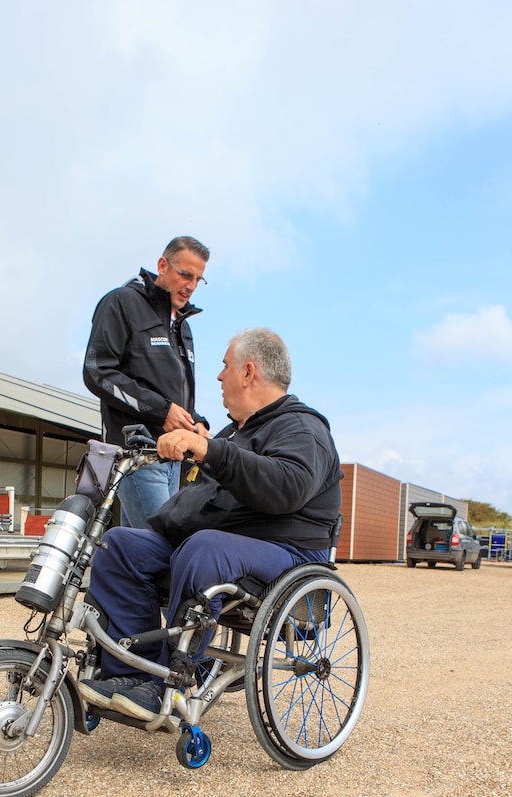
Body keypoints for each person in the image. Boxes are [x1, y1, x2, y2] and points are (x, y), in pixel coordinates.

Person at [77, 327, 343, 723]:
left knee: (205, 548)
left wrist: (210, 449)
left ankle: (169, 682)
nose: (219, 376)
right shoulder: (237, 432)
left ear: (248, 372)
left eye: (225, 366)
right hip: (227, 542)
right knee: (119, 545)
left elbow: (286, 487)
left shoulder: (302, 428)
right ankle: (131, 674)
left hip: (287, 551)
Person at [82, 236, 211, 529]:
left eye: (198, 279)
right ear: (163, 265)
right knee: (162, 542)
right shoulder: (122, 303)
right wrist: (161, 411)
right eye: (185, 275)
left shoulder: (182, 327)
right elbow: (97, 372)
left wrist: (195, 421)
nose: (191, 286)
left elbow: (171, 392)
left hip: (173, 458)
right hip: (139, 453)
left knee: (136, 548)